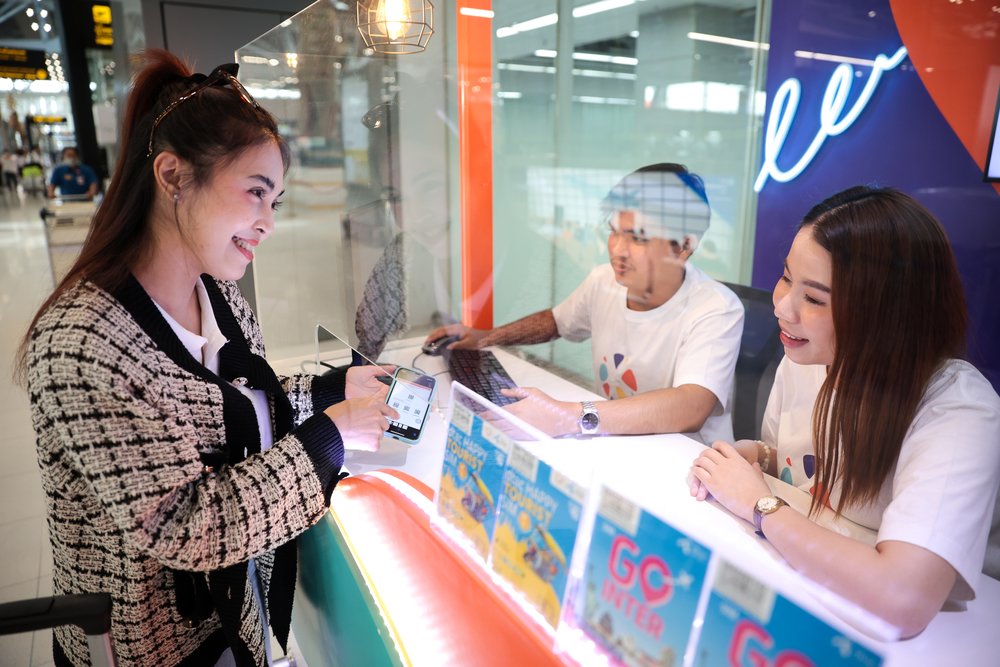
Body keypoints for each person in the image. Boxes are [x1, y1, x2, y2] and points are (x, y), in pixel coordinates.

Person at [16, 50, 397, 667]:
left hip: (231, 619)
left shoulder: (217, 294)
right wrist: (329, 437)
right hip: (145, 648)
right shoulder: (82, 343)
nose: (267, 223)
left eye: (275, 201)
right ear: (173, 176)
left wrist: (332, 390)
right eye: (255, 192)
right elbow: (187, 526)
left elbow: (230, 406)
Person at [689, 186, 1000, 639]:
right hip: (800, 595)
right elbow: (810, 470)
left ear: (889, 313)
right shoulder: (807, 356)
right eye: (786, 278)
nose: (782, 306)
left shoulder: (957, 409)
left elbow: (903, 598)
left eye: (815, 299)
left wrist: (759, 505)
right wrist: (759, 456)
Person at [425, 164, 744, 443]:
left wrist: (567, 416)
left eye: (638, 238)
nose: (618, 250)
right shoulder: (603, 280)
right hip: (615, 442)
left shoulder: (716, 308)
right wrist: (486, 337)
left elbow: (691, 406)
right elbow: (557, 321)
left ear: (683, 246)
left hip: (690, 463)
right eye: (614, 232)